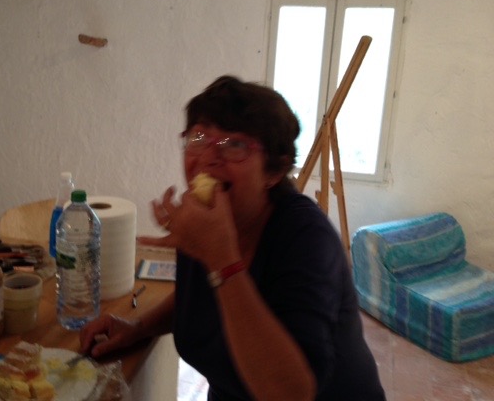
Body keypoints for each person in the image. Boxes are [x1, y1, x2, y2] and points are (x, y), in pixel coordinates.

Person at [79, 75, 386, 400]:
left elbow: (291, 393)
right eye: (199, 137)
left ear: (274, 171)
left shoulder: (307, 239)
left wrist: (222, 261)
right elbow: (198, 298)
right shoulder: (206, 221)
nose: (208, 157)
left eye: (236, 144)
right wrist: (138, 328)